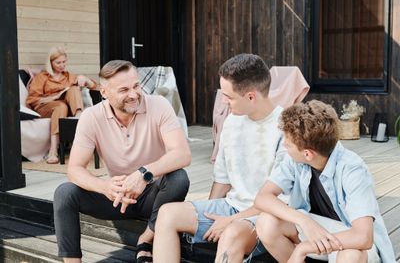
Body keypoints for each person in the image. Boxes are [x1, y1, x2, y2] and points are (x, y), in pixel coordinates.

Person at [53, 60, 191, 263]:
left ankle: (147, 237)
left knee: (179, 178)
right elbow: (74, 169)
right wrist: (104, 187)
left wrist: (144, 174)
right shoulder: (91, 117)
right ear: (104, 92)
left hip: (154, 198)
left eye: (136, 86)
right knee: (64, 193)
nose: (134, 94)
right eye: (124, 90)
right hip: (116, 198)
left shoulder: (159, 105)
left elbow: (182, 154)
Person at [153, 53, 285, 263]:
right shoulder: (232, 121)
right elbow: (222, 178)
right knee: (168, 213)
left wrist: (232, 220)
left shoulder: (285, 129)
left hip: (268, 217)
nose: (223, 101)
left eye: (229, 96)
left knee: (231, 234)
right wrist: (210, 217)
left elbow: (282, 200)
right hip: (232, 206)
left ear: (251, 96)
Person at [254, 100, 395, 263]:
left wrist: (302, 248)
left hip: (353, 243)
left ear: (308, 154)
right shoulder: (295, 160)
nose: (284, 144)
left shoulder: (353, 169)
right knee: (266, 222)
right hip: (320, 232)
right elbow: (263, 198)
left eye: (288, 143)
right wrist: (304, 221)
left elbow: (363, 237)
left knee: (350, 256)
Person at [26, 46, 97, 164]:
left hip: (65, 108)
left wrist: (85, 79)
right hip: (45, 108)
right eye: (58, 62)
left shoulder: (68, 76)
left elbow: (96, 87)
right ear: (50, 62)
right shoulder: (42, 77)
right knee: (60, 106)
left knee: (73, 89)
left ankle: (78, 116)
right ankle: (53, 150)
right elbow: (32, 100)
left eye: (64, 62)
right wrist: (53, 97)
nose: (62, 65)